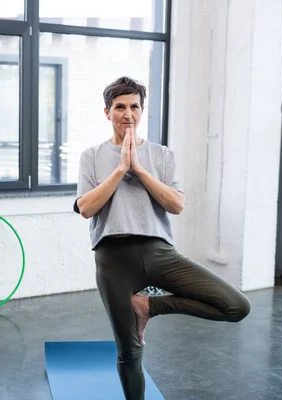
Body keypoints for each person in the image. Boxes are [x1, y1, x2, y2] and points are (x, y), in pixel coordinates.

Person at [73, 76, 251, 400]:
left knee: (236, 306)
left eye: (135, 107)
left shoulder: (162, 155)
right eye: (120, 107)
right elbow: (86, 208)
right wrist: (120, 169)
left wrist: (139, 169)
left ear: (142, 111)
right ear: (107, 111)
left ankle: (149, 307)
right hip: (113, 260)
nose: (128, 114)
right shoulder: (92, 156)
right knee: (129, 352)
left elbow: (176, 204)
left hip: (160, 253)